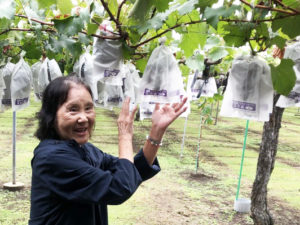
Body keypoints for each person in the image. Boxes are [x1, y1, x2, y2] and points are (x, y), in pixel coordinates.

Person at [29, 75, 187, 225]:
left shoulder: (84, 149)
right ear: (51, 115)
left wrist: (156, 132)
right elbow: (120, 187)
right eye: (73, 109)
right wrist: (125, 136)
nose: (83, 118)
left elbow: (130, 171)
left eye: (88, 108)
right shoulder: (51, 158)